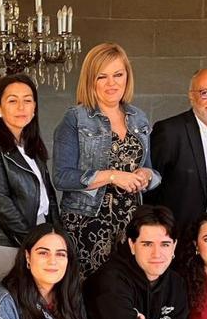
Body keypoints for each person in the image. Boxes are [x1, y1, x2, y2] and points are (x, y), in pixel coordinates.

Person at [53, 43, 160, 277]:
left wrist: (146, 175)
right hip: (87, 222)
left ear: (127, 77)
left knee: (125, 292)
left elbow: (150, 169)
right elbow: (62, 177)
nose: (112, 83)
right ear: (91, 80)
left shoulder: (138, 117)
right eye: (102, 76)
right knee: (90, 294)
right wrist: (112, 176)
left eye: (118, 75)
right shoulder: (75, 118)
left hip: (131, 222)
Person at [0, 74, 58, 302]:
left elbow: (48, 197)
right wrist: (34, 244)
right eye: (12, 100)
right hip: (2, 245)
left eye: (27, 100)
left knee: (27, 311)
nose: (21, 107)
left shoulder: (30, 146)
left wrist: (57, 238)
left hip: (35, 240)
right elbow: (0, 203)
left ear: (35, 107)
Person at [146, 68, 207, 236]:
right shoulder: (170, 131)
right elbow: (151, 190)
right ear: (191, 95)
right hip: (184, 239)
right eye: (205, 93)